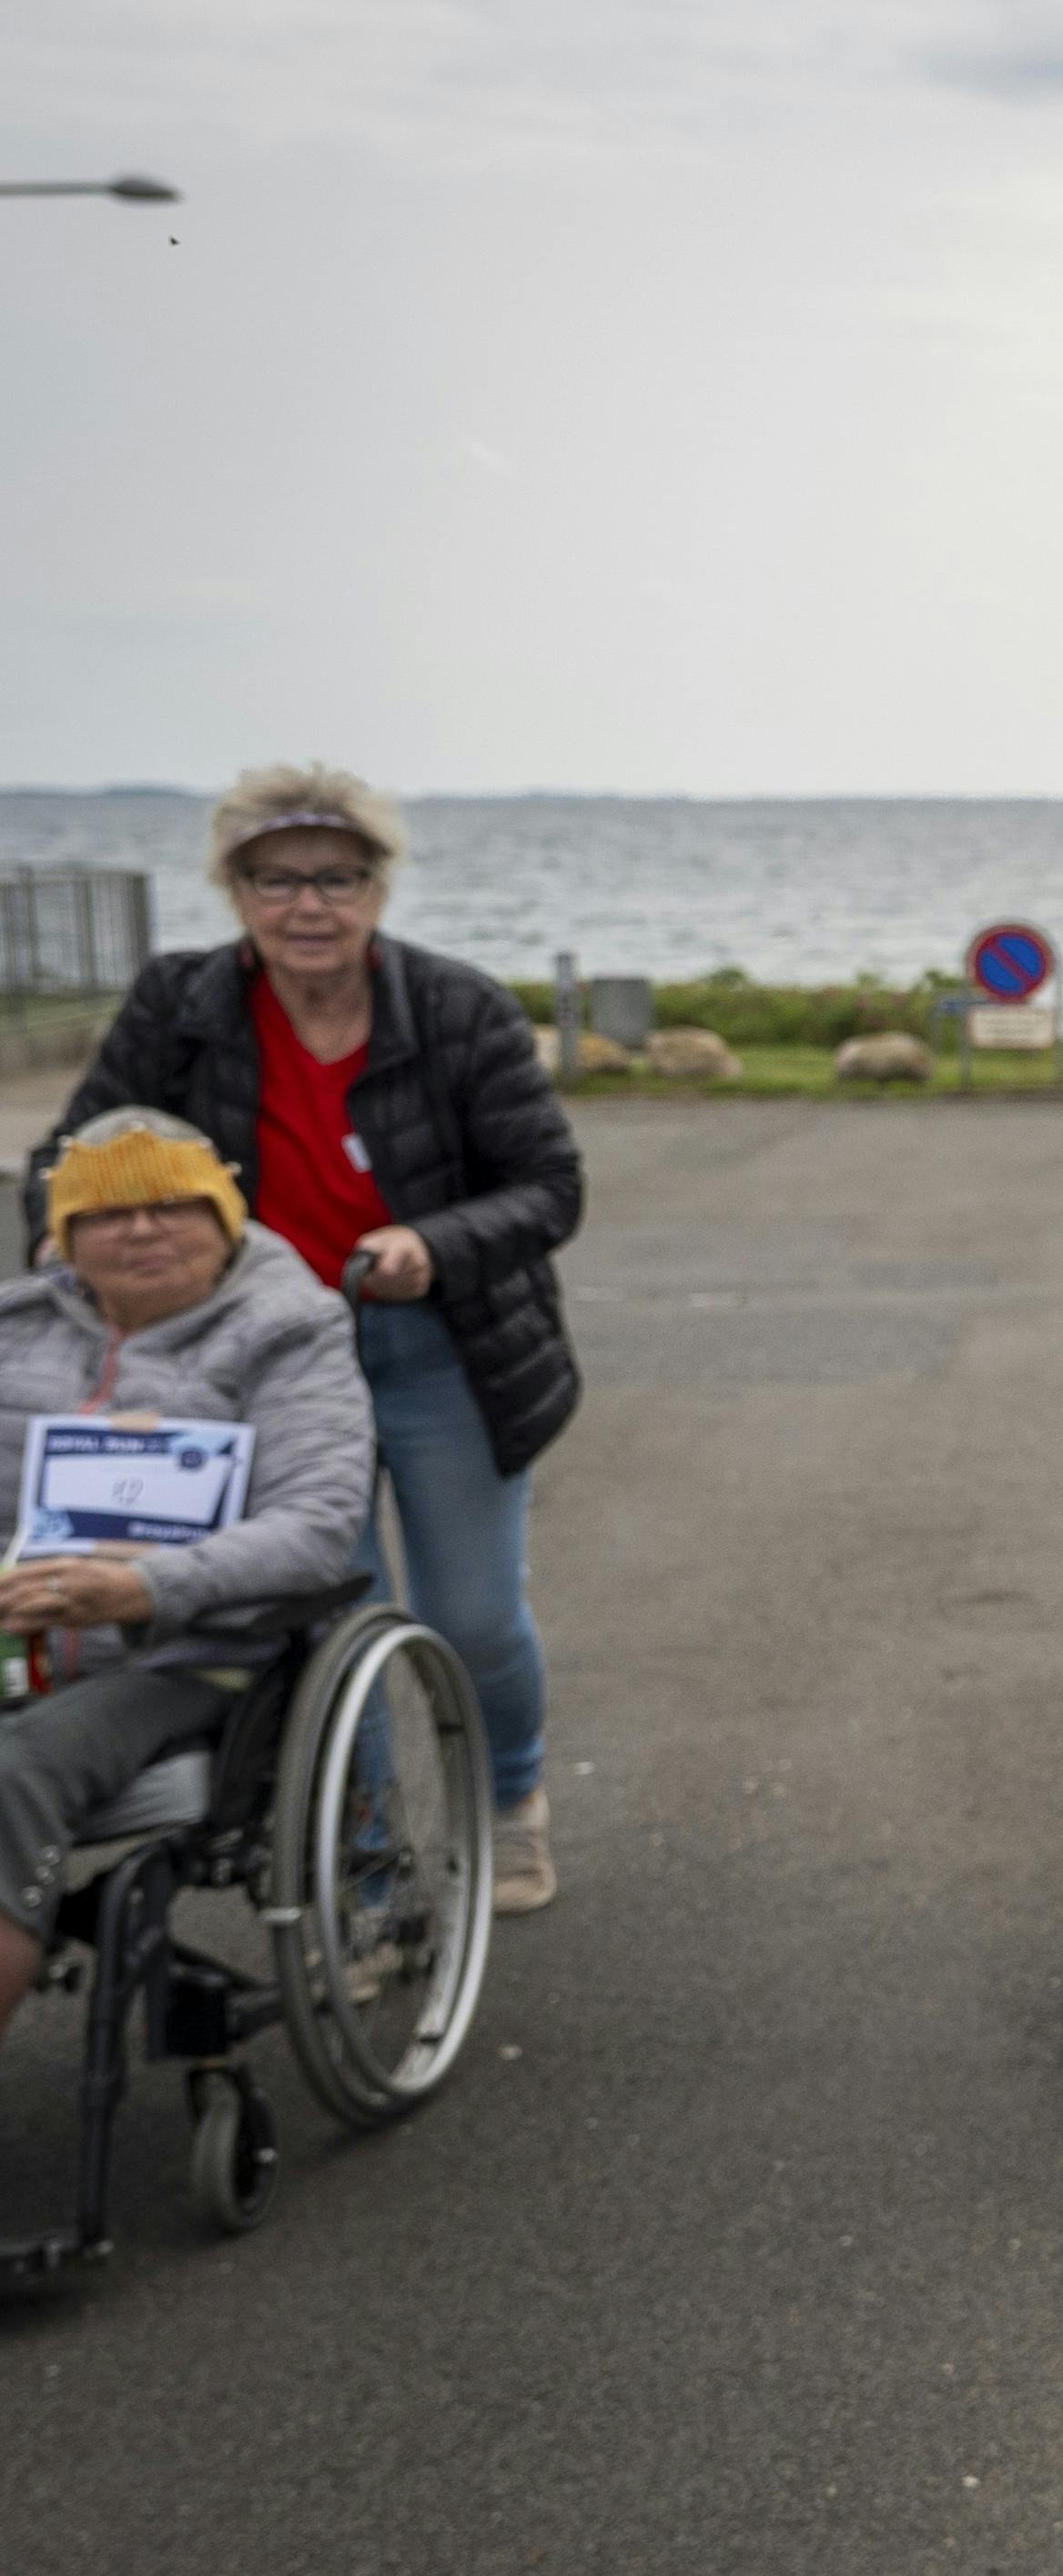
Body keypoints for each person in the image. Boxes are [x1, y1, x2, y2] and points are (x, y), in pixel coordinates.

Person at [30, 766, 584, 1912]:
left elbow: (549, 1187)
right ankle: (368, 1853)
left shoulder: (457, 1007)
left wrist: (433, 1240)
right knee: (325, 1619)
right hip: (263, 1351)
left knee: (472, 1614)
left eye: (338, 877)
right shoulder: (181, 1003)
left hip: (441, 1344)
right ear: (235, 892)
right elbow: (76, 1153)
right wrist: (68, 1238)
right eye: (276, 880)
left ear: (379, 888)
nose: (309, 906)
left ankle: (510, 1798)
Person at [0, 1113, 379, 2015]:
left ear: (225, 1219)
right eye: (108, 1212)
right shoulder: (16, 1331)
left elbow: (318, 1523)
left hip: (189, 1653)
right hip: (21, 1635)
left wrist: (141, 1587)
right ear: (62, 1235)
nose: (141, 1229)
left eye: (173, 1204)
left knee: (14, 1768)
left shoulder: (288, 1332)